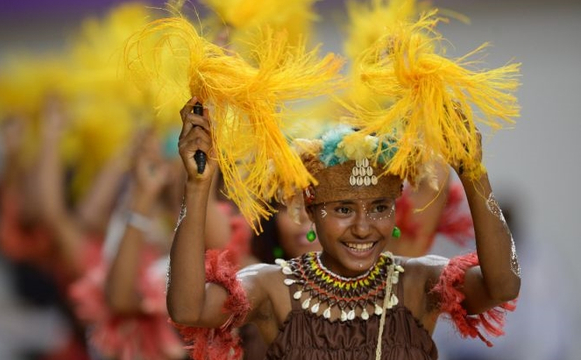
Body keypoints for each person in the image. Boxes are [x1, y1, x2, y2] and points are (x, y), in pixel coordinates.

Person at [167, 93, 520, 360]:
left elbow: (503, 285)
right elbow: (188, 310)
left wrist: (473, 172)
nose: (363, 227)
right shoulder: (272, 287)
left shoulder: (417, 283)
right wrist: (198, 186)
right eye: (343, 209)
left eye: (380, 208)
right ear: (312, 210)